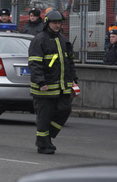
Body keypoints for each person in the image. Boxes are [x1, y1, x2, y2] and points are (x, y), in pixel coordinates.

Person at [28, 10, 78, 154]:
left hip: (62, 86)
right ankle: (43, 145)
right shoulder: (39, 40)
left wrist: (74, 80)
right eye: (54, 22)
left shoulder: (63, 39)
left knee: (65, 109)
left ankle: (48, 137)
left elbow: (69, 62)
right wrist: (40, 82)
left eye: (59, 22)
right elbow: (34, 64)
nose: (57, 25)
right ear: (47, 23)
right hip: (44, 87)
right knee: (44, 116)